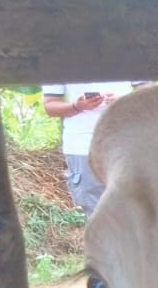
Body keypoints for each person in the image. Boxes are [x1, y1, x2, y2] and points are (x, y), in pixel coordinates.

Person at [41, 82, 136, 217]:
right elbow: (50, 106)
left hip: (127, 142)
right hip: (82, 146)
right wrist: (77, 106)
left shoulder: (133, 59)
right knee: (94, 209)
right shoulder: (56, 62)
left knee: (133, 205)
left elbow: (149, 94)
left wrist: (125, 101)